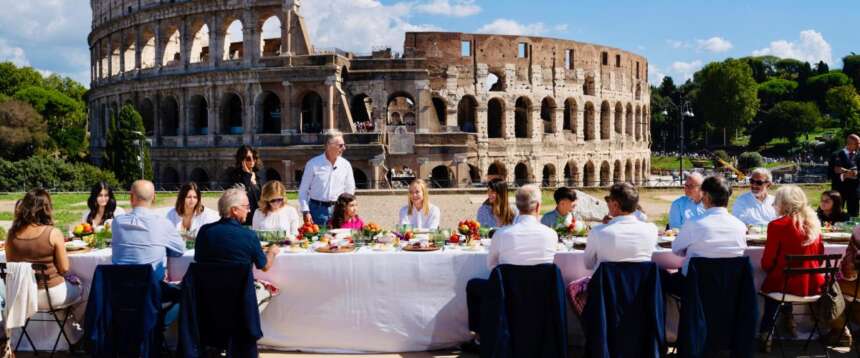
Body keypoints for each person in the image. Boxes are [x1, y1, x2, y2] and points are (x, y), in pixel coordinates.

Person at [465, 184, 557, 352]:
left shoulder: (502, 235)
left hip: (507, 293)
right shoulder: (551, 234)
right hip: (540, 294)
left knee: (473, 285)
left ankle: (479, 338)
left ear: (518, 205)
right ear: (537, 206)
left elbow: (492, 266)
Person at [569, 184, 659, 315]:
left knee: (572, 289)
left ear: (615, 205)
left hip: (606, 296)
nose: (607, 203)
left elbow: (588, 264)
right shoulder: (651, 229)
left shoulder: (598, 232)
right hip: (641, 293)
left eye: (608, 200)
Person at [757, 185, 825, 350]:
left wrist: (771, 270)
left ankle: (766, 334)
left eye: (776, 202)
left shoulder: (777, 225)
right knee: (781, 280)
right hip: (814, 287)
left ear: (783, 203)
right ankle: (789, 321)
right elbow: (821, 257)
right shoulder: (814, 223)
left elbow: (767, 262)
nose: (774, 205)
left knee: (772, 287)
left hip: (785, 287)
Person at [195, 188, 281, 309]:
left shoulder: (204, 231)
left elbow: (198, 259)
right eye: (246, 207)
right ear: (234, 210)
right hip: (240, 298)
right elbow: (264, 266)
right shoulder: (249, 236)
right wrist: (272, 252)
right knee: (270, 290)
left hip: (208, 296)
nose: (249, 210)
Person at [665, 176, 747, 295]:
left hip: (695, 287)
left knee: (659, 276)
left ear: (706, 196)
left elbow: (676, 250)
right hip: (730, 288)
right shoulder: (740, 226)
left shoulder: (694, 223)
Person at [6, 189, 82, 310]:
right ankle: (75, 327)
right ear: (47, 209)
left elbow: (10, 265)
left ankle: (60, 327)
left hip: (23, 296)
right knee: (83, 286)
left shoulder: (11, 234)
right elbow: (64, 268)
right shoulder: (53, 233)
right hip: (51, 295)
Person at [112, 180, 186, 282]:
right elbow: (180, 250)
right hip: (152, 290)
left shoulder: (117, 223)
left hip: (120, 290)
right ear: (154, 198)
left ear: (131, 197)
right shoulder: (164, 223)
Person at [298, 131, 356, 226]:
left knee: (340, 239)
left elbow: (350, 189)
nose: (344, 148)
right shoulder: (313, 164)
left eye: (344, 145)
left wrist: (347, 208)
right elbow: (303, 190)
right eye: (340, 145)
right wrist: (305, 211)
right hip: (316, 211)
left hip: (338, 210)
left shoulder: (346, 165)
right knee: (317, 239)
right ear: (329, 145)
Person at [229, 145, 262, 225]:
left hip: (258, 217)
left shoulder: (258, 176)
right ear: (242, 160)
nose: (252, 161)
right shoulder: (236, 176)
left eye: (253, 157)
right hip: (245, 218)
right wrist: (247, 175)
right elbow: (240, 194)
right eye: (248, 158)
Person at [829, 134, 860, 217]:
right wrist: (847, 173)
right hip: (838, 191)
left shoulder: (859, 155)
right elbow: (831, 172)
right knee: (836, 214)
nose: (859, 146)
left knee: (854, 216)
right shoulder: (836, 155)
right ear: (849, 143)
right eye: (857, 143)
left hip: (854, 192)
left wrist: (854, 174)